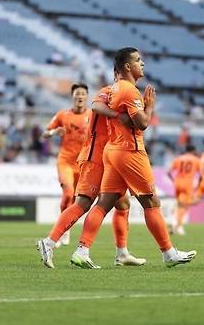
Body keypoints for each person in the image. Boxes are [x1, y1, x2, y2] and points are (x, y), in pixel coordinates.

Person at [69, 47, 196, 268]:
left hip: (113, 150)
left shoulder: (113, 89)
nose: (142, 63)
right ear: (127, 66)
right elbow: (142, 123)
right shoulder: (129, 90)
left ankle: (82, 249)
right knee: (151, 201)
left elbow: (98, 106)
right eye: (138, 60)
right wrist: (150, 107)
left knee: (105, 202)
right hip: (130, 150)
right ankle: (168, 253)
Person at [36, 72, 145, 268]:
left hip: (107, 158)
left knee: (122, 204)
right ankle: (51, 242)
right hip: (93, 158)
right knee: (82, 202)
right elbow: (102, 108)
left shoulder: (121, 96)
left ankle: (122, 252)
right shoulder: (108, 93)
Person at [42, 83, 89, 246]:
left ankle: (65, 228)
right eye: (77, 93)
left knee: (76, 202)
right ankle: (63, 231)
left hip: (83, 164)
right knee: (68, 194)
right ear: (72, 96)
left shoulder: (92, 116)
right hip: (65, 162)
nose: (80, 96)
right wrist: (54, 132)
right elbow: (44, 134)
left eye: (83, 93)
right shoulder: (62, 115)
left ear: (87, 97)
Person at [167, 144, 201, 236]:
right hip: (188, 183)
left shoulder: (178, 158)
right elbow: (201, 175)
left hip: (178, 182)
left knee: (178, 203)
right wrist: (198, 186)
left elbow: (168, 172)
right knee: (185, 206)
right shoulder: (196, 160)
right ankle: (178, 224)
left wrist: (174, 181)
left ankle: (174, 220)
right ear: (194, 151)